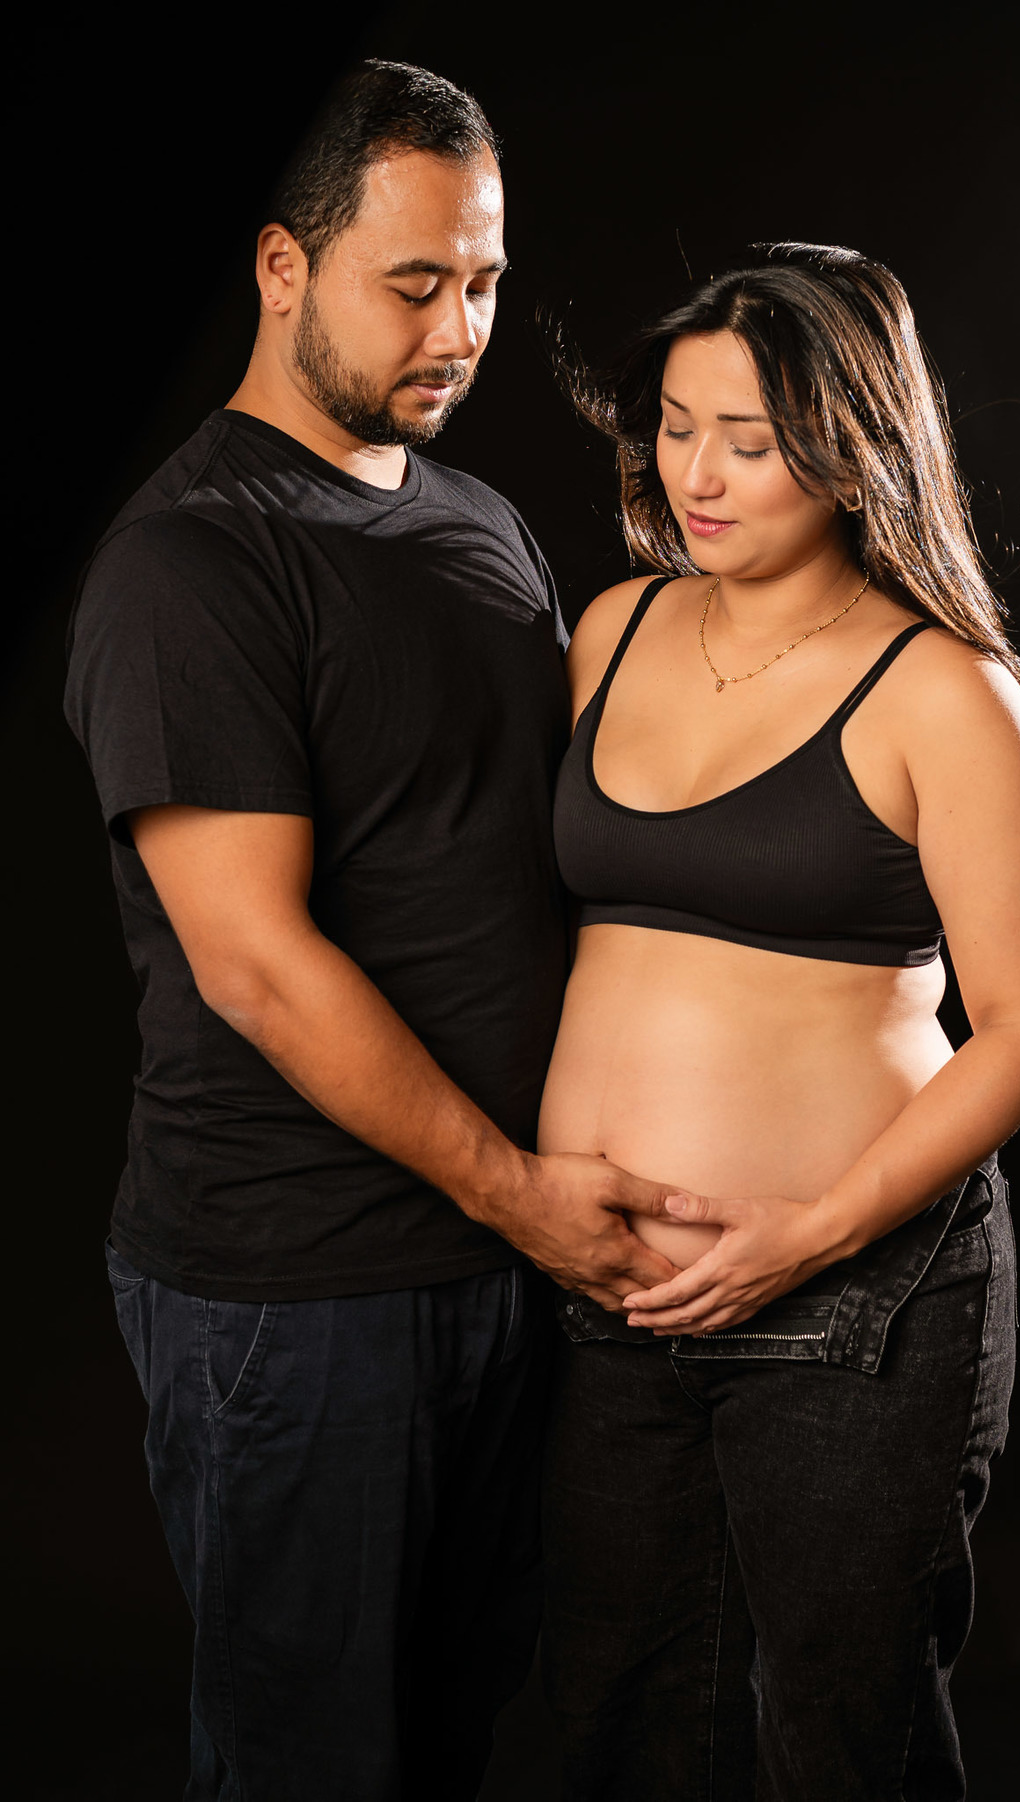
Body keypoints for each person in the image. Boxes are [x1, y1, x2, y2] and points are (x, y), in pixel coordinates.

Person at [63, 59, 683, 1802]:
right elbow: (253, 962)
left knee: (465, 1739)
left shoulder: (480, 529)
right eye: (414, 281)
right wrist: (523, 1197)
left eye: (483, 280)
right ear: (282, 267)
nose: (461, 325)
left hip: (502, 1264)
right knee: (312, 1763)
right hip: (300, 1287)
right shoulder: (192, 563)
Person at [538, 244, 1020, 1800]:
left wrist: (809, 1231)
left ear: (852, 452)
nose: (697, 476)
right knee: (617, 1717)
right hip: (610, 1300)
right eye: (677, 425)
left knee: (842, 1737)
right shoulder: (612, 632)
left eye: (753, 444)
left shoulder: (946, 694)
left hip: (855, 1302)